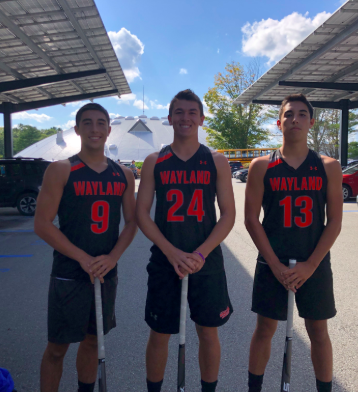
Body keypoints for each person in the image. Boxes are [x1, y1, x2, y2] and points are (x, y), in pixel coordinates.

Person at [136, 89, 236, 392]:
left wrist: (200, 254)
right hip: (166, 261)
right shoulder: (155, 160)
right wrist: (172, 253)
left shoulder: (216, 161)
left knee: (208, 333)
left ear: (202, 119)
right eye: (179, 112)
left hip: (205, 261)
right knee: (160, 333)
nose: (185, 117)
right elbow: (142, 214)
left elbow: (228, 215)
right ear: (169, 118)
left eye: (192, 112)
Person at [34, 103, 137, 392]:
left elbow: (131, 223)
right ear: (77, 129)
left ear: (108, 129)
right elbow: (42, 224)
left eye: (101, 123)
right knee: (57, 347)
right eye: (88, 123)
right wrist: (81, 258)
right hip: (69, 272)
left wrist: (112, 258)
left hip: (105, 272)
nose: (95, 129)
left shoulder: (123, 174)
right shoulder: (61, 169)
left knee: (94, 340)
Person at [244, 94, 343, 392]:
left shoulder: (328, 166)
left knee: (318, 330)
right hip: (273, 261)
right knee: (265, 329)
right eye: (288, 115)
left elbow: (335, 221)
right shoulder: (262, 165)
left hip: (313, 262)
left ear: (311, 122)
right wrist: (274, 265)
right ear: (279, 123)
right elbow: (251, 219)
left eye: (302, 114)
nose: (295, 119)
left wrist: (310, 265)